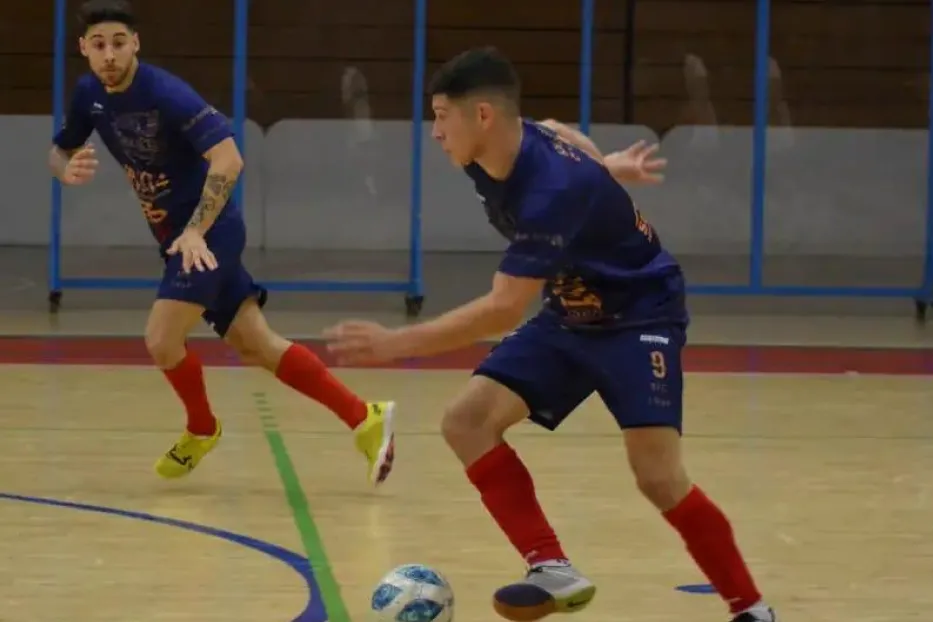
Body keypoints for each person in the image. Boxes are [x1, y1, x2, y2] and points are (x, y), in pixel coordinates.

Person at [324, 47, 777, 622]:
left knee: (659, 476)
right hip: (570, 312)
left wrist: (395, 343)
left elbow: (501, 310)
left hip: (640, 314)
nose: (434, 131)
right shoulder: (504, 146)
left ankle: (752, 610)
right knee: (466, 421)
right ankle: (552, 568)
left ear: (482, 115)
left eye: (442, 115)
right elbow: (563, 132)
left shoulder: (549, 192)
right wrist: (608, 168)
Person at [49, 0, 396, 486]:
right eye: (99, 45)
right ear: (84, 48)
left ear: (136, 44)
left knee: (161, 339)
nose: (110, 55)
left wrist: (194, 229)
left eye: (119, 43)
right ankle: (365, 417)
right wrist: (66, 169)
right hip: (175, 239)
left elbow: (229, 160)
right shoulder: (89, 94)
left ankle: (202, 428)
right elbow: (59, 149)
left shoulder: (167, 94)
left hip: (208, 236)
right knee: (258, 345)